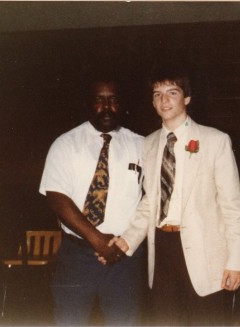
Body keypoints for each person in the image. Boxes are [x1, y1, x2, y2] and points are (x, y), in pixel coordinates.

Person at [108, 63, 240, 326]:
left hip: (205, 255)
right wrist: (127, 240)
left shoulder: (215, 140)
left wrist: (237, 261)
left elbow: (233, 206)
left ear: (187, 98)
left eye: (172, 92)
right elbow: (150, 201)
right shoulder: (148, 143)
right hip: (161, 251)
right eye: (157, 93)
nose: (164, 99)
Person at [39, 75, 145, 326]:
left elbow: (151, 200)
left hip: (125, 258)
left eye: (113, 100)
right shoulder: (65, 144)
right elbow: (56, 198)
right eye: (99, 100)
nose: (106, 107)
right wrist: (97, 240)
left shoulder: (141, 145)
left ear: (122, 104)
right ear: (88, 103)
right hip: (77, 256)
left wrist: (123, 243)